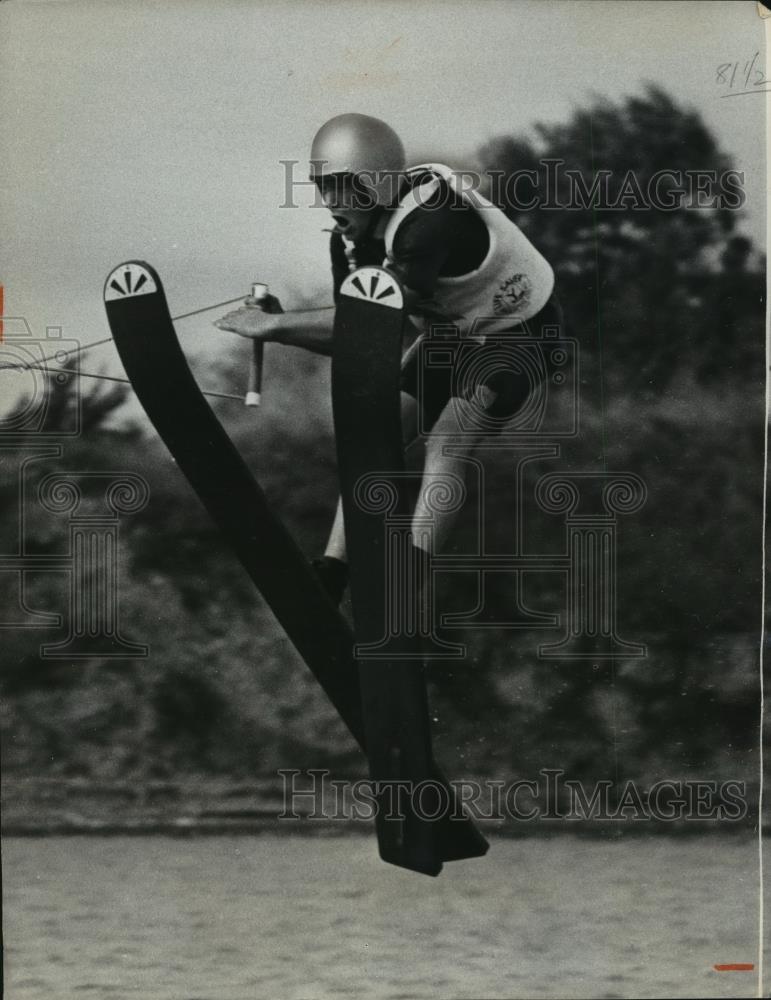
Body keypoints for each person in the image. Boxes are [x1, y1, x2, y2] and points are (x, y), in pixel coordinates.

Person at [215, 113, 562, 606]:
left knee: (449, 438)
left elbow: (364, 322)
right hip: (457, 332)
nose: (330, 204)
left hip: (520, 329)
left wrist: (276, 325)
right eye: (322, 189)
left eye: (340, 189)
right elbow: (361, 337)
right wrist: (285, 325)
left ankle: (409, 575)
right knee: (375, 431)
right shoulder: (351, 242)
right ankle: (332, 572)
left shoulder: (428, 218)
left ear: (374, 182)